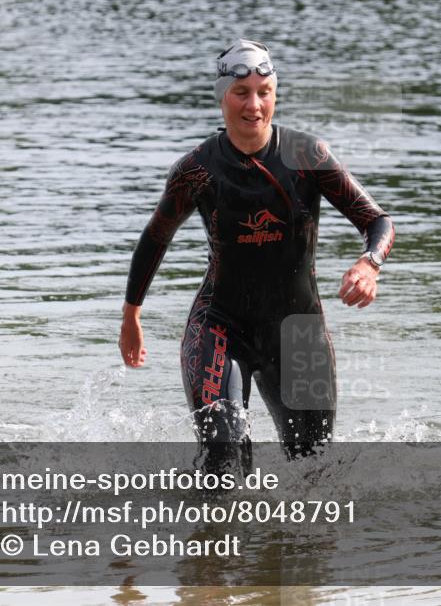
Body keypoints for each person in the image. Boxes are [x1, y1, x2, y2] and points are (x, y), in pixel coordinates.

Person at [119, 39, 394, 469]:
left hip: (299, 330)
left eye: (264, 92)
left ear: (275, 94)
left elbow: (377, 221)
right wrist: (131, 316)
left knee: (314, 468)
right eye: (240, 93)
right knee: (222, 459)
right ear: (221, 98)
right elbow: (157, 236)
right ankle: (213, 535)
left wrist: (369, 264)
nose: (254, 105)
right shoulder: (196, 170)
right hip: (220, 325)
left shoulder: (307, 155)